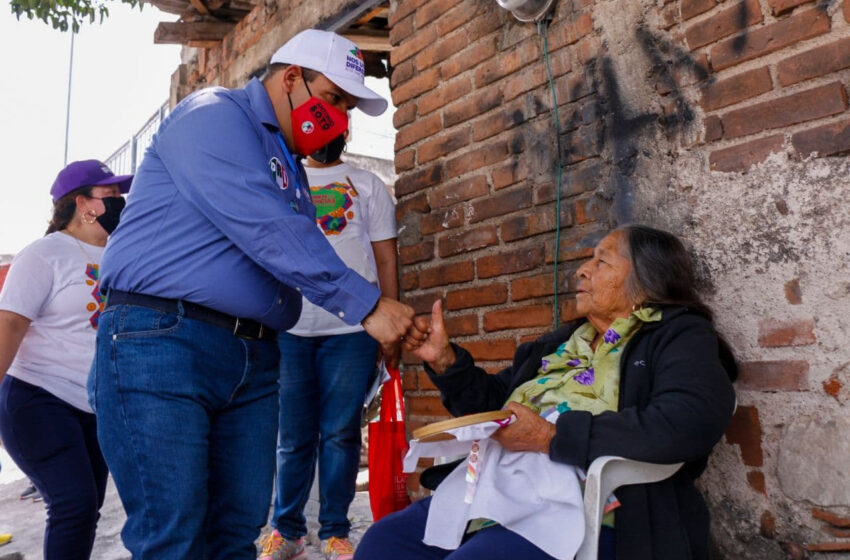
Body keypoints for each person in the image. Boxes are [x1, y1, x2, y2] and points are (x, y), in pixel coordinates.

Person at [90, 28, 425, 560]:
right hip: (164, 343)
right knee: (173, 536)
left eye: (347, 109)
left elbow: (293, 248)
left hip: (252, 355)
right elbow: (266, 227)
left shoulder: (291, 168)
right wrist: (367, 305)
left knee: (234, 535)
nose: (339, 118)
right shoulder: (213, 114)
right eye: (333, 99)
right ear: (291, 78)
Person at [355, 225, 738, 560]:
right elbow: (495, 407)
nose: (582, 271)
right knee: (383, 543)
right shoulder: (561, 343)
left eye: (601, 262)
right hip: (498, 491)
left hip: (595, 509)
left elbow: (690, 420)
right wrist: (445, 361)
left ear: (646, 280)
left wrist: (552, 437)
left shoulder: (677, 336)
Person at [259, 148, 399, 560]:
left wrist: (388, 322)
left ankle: (335, 531)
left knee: (340, 433)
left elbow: (386, 258)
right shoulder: (282, 181)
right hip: (290, 327)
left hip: (353, 327)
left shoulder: (368, 183)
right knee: (294, 437)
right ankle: (287, 532)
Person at [0, 160, 131, 560]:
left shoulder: (122, 256)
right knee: (73, 503)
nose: (120, 202)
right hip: (38, 397)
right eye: (110, 196)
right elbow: (9, 324)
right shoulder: (45, 253)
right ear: (82, 204)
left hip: (94, 405)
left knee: (86, 508)